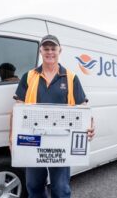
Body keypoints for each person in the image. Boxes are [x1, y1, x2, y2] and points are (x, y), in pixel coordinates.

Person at [13, 34, 95, 198]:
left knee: (60, 188)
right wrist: (12, 139)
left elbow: (83, 107)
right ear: (40, 51)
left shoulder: (71, 78)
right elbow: (17, 109)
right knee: (34, 186)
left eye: (53, 48)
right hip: (33, 141)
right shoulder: (29, 77)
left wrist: (91, 125)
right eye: (46, 48)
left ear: (60, 50)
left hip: (61, 142)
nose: (50, 52)